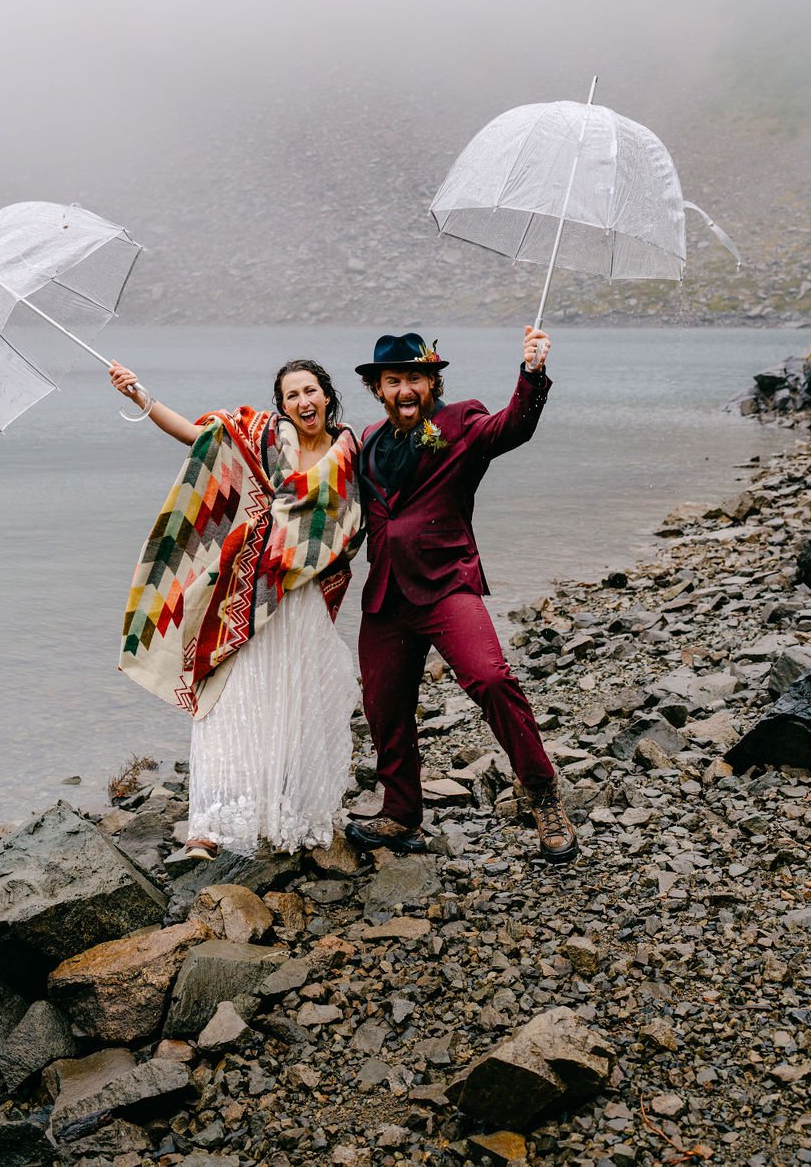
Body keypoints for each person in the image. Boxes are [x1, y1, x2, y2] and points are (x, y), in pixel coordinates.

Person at [109, 357, 363, 861]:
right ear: (282, 405)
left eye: (310, 391)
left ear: (328, 395)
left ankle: (288, 814)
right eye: (292, 396)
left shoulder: (353, 453)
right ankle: (209, 825)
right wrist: (140, 395)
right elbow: (195, 437)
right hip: (248, 593)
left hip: (304, 598)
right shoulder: (264, 438)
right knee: (230, 701)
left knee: (296, 699)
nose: (303, 402)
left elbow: (360, 518)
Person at [345, 327, 579, 864]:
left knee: (492, 679)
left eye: (415, 379)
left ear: (432, 381)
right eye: (393, 380)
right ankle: (400, 815)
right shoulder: (368, 439)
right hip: (385, 598)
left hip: (447, 583)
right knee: (384, 709)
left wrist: (532, 373)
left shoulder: (461, 423)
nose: (404, 390)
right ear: (378, 389)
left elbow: (512, 427)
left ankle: (542, 795)